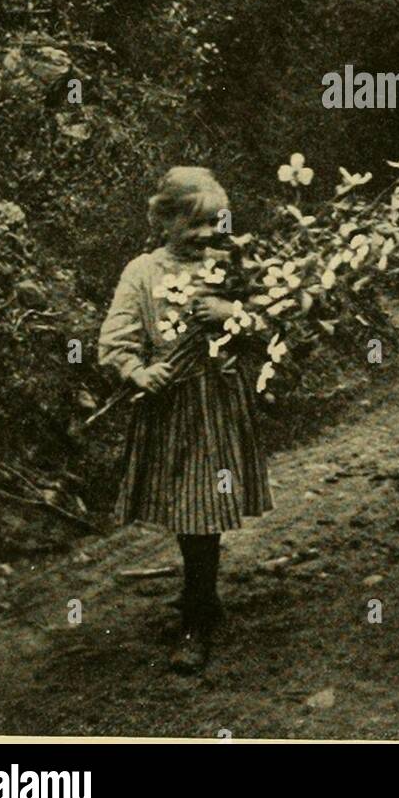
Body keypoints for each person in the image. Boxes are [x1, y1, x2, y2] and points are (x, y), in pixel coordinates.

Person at [98, 166, 272, 674]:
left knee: (202, 513)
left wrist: (231, 315)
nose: (205, 235)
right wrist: (138, 370)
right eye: (193, 224)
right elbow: (116, 340)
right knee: (190, 513)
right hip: (172, 406)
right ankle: (202, 594)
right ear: (164, 220)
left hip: (216, 402)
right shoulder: (143, 272)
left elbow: (268, 326)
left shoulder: (230, 269)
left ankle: (197, 616)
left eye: (215, 223)